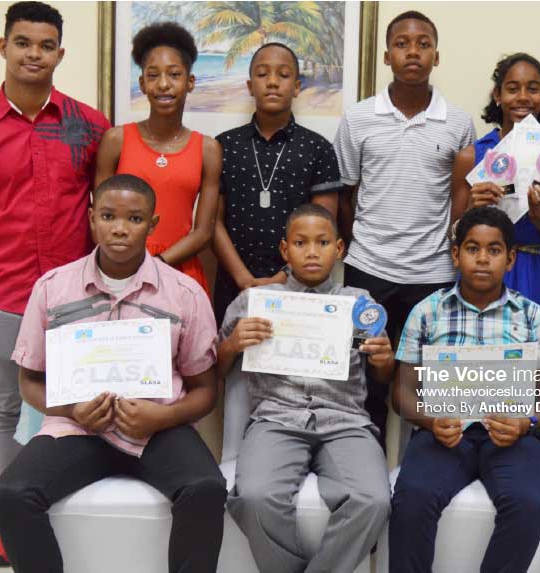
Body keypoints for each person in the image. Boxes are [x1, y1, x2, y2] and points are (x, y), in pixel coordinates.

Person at [0, 2, 109, 565]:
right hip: (5, 297)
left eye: (46, 45)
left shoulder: (90, 126)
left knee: (83, 404)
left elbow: (104, 206)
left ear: (61, 53)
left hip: (79, 299)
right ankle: (11, 522)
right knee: (6, 409)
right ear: (3, 46)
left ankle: (74, 513)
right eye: (23, 42)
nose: (35, 54)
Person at [0, 174, 227, 573]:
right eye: (108, 216)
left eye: (135, 219)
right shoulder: (53, 288)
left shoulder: (185, 293)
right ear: (91, 219)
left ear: (152, 225)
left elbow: (206, 389)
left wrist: (163, 416)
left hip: (158, 427)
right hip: (77, 428)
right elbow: (29, 380)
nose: (119, 228)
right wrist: (72, 410)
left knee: (206, 488)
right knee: (11, 495)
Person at [219, 204, 392, 573]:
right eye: (301, 243)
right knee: (254, 497)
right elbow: (214, 369)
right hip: (275, 419)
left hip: (346, 421)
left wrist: (383, 360)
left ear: (339, 249)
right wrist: (232, 345)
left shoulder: (359, 304)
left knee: (374, 501)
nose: (312, 252)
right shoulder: (254, 302)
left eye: (322, 242)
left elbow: (378, 372)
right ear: (285, 250)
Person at [334, 10, 475, 441]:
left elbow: (460, 194)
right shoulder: (358, 118)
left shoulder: (459, 123)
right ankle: (367, 465)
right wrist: (359, 245)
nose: (412, 52)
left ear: (437, 56)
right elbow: (346, 192)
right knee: (366, 382)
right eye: (402, 43)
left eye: (423, 44)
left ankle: (424, 466)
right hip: (368, 270)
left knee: (430, 386)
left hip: (432, 273)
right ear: (386, 56)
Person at [390, 206, 540, 573]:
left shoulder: (533, 316)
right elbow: (402, 393)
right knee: (411, 499)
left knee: (529, 504)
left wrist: (525, 423)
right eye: (472, 248)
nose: (482, 259)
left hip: (512, 434)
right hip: (443, 432)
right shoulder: (427, 312)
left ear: (510, 259)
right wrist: (431, 422)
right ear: (455, 254)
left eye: (494, 250)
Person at [212, 42, 341, 326]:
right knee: (232, 348)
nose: (272, 82)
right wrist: (242, 278)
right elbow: (213, 221)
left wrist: (283, 277)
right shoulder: (224, 145)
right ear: (250, 86)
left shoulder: (318, 149)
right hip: (234, 282)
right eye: (262, 74)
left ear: (297, 87)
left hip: (300, 284)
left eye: (283, 75)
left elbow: (324, 226)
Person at [454, 52, 540, 330]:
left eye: (533, 89)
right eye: (512, 89)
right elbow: (451, 241)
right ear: (497, 95)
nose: (523, 97)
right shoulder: (471, 157)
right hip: (484, 276)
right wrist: (471, 210)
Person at [96, 22, 221, 295]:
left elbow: (203, 232)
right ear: (142, 84)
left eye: (174, 74)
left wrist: (157, 265)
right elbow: (99, 217)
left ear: (190, 82)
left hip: (179, 271)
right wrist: (129, 266)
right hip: (120, 269)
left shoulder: (208, 149)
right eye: (153, 75)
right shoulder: (116, 140)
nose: (163, 84)